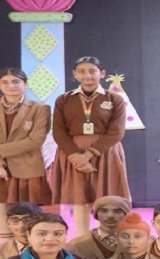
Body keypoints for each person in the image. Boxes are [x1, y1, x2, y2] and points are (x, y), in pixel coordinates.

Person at [51, 56, 130, 236]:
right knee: (80, 199)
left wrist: (88, 155)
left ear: (102, 73)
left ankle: (108, 238)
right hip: (73, 152)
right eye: (81, 71)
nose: (87, 75)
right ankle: (82, 239)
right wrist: (75, 156)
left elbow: (116, 132)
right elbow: (59, 132)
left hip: (105, 152)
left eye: (92, 71)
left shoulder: (114, 98)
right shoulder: (64, 99)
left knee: (107, 199)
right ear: (74, 74)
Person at [0, 68, 51, 236]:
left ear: (26, 84)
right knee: (4, 225)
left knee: (31, 219)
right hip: (2, 169)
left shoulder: (40, 108)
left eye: (16, 81)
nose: (10, 86)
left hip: (27, 168)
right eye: (5, 82)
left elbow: (35, 140)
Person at [66, 195, 130, 259]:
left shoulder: (136, 243)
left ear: (126, 215)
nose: (110, 215)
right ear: (96, 215)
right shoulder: (76, 245)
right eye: (104, 211)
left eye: (117, 211)